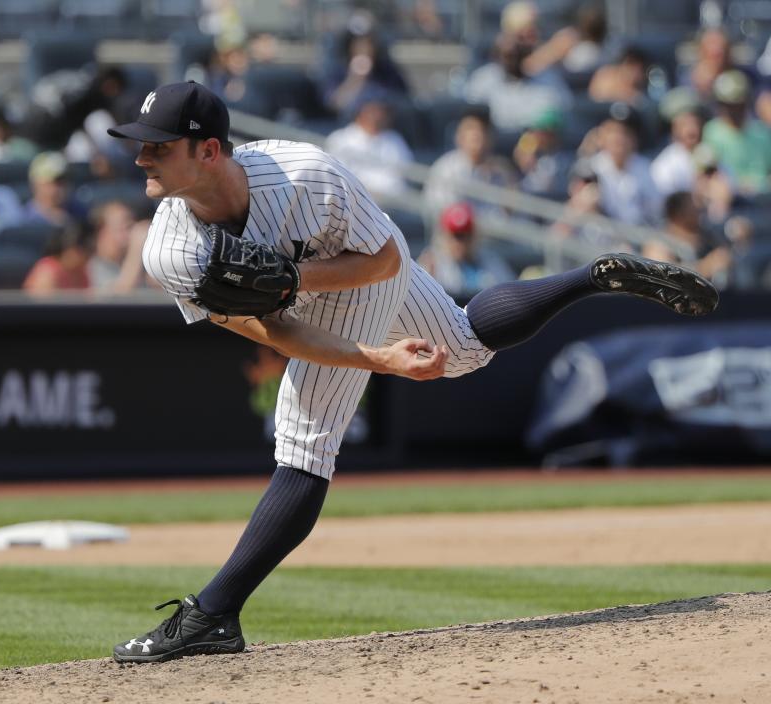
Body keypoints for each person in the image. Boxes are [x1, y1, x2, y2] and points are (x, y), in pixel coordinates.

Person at [104, 81, 718, 664]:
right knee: (466, 349)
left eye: (158, 146)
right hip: (302, 295)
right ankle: (592, 277)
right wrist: (371, 357)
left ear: (209, 150)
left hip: (360, 260)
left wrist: (296, 281)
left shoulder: (305, 174)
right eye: (140, 145)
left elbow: (384, 260)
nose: (142, 159)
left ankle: (213, 614)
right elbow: (259, 327)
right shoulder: (170, 248)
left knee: (303, 444)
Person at [423, 110, 518, 224]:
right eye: (471, 129)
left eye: (483, 130)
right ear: (459, 136)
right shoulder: (446, 169)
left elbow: (510, 217)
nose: (478, 135)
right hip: (457, 237)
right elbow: (442, 214)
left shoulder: (501, 171)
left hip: (495, 237)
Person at [702, 70, 771, 195]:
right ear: (720, 104)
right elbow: (709, 173)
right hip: (732, 201)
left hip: (765, 199)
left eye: (738, 103)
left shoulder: (763, 132)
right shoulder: (711, 132)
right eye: (729, 104)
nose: (734, 109)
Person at [325, 94, 414, 202]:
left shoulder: (394, 139)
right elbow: (339, 178)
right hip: (353, 202)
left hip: (390, 204)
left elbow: (402, 174)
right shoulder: (340, 139)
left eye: (383, 111)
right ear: (360, 111)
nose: (379, 115)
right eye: (373, 110)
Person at [587, 103, 662, 226]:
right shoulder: (589, 168)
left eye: (625, 133)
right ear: (602, 135)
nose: (618, 138)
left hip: (636, 239)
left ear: (635, 139)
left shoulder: (646, 170)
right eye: (613, 131)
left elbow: (655, 216)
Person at [417, 202, 515, 296]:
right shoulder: (432, 263)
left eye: (466, 235)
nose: (461, 242)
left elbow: (510, 293)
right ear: (444, 235)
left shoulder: (491, 261)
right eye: (457, 235)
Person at [87, 199, 153, 293]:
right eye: (126, 227)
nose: (132, 232)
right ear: (103, 232)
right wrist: (137, 247)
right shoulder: (91, 267)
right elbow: (118, 297)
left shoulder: (134, 263)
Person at [650, 90, 706, 197]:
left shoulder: (708, 154)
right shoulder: (665, 165)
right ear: (673, 128)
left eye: (695, 123)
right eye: (684, 124)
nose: (691, 130)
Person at [22, 222, 92, 294]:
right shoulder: (48, 271)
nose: (86, 256)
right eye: (80, 250)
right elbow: (41, 303)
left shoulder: (82, 273)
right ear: (68, 248)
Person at [22, 151, 87, 227]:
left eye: (66, 180)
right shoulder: (24, 220)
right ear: (36, 184)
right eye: (56, 181)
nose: (62, 187)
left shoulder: (79, 210)